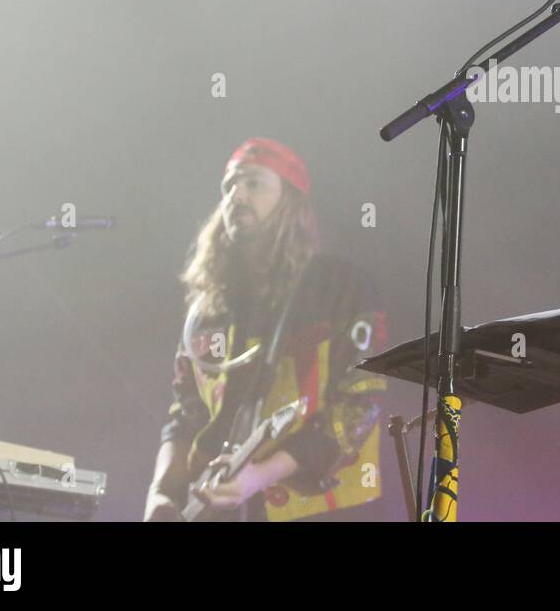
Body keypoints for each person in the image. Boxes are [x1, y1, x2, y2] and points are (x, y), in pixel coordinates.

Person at [143, 137, 387, 522]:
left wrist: (259, 475)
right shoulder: (209, 310)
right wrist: (162, 495)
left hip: (319, 507)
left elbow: (358, 407)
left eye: (253, 183)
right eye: (228, 186)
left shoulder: (339, 286)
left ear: (290, 201)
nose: (236, 195)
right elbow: (185, 413)